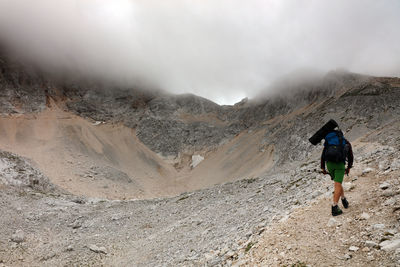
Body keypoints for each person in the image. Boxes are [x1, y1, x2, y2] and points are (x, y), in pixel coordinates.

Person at [321, 129, 353, 216]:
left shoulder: (329, 142)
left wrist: (323, 167)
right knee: (337, 184)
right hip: (339, 164)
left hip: (329, 164)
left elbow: (323, 154)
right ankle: (334, 207)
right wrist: (349, 167)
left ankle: (343, 199)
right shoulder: (345, 142)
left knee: (337, 182)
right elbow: (350, 156)